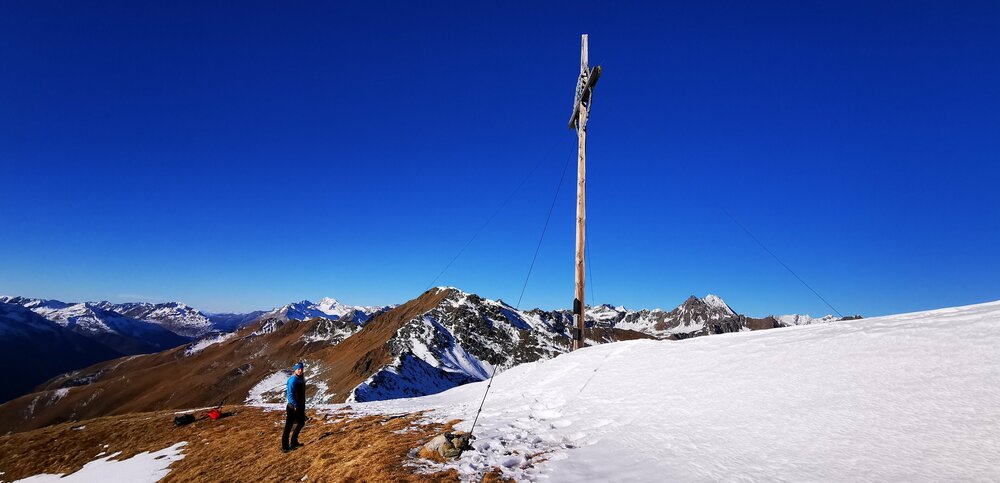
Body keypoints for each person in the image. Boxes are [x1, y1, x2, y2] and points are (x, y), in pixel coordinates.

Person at [281, 362, 306, 453]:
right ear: (295, 370)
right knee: (288, 426)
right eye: (298, 369)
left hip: (299, 406)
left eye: (301, 369)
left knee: (301, 423)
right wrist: (295, 405)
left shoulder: (300, 379)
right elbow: (290, 395)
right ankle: (285, 447)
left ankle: (294, 442)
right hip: (293, 407)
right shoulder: (293, 380)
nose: (300, 371)